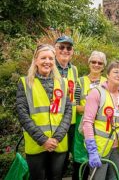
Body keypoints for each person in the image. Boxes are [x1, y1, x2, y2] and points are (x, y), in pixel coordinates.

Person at [16, 44, 72, 180]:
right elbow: (22, 114)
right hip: (36, 144)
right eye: (43, 58)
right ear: (35, 60)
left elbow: (68, 112)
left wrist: (56, 138)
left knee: (56, 177)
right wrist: (43, 140)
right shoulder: (25, 83)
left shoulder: (63, 83)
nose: (47, 62)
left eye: (51, 58)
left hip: (58, 144)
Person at [82, 61, 119, 180]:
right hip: (100, 149)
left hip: (118, 150)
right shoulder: (96, 93)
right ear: (107, 75)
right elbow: (87, 122)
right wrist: (92, 149)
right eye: (115, 72)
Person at [73, 51, 107, 180]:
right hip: (82, 127)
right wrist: (92, 110)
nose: (96, 65)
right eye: (94, 62)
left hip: (100, 127)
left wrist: (88, 109)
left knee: (98, 159)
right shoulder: (80, 82)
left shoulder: (107, 82)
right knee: (80, 162)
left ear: (104, 66)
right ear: (89, 63)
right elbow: (75, 106)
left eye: (100, 63)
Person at [54, 35, 78, 174]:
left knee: (64, 158)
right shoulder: (49, 66)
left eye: (68, 48)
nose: (65, 50)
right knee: (54, 159)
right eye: (61, 47)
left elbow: (75, 94)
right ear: (55, 49)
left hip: (71, 122)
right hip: (54, 121)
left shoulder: (73, 69)